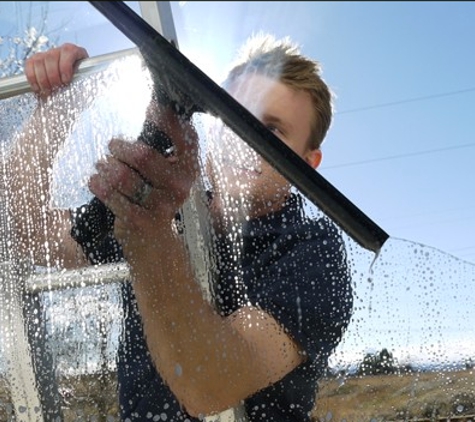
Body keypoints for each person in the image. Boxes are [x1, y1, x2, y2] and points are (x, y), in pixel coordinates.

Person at [8, 33, 353, 421]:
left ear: (308, 163)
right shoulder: (168, 205)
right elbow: (30, 232)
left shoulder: (312, 250)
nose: (245, 140)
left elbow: (207, 385)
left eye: (271, 131)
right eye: (235, 117)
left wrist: (149, 232)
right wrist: (59, 102)